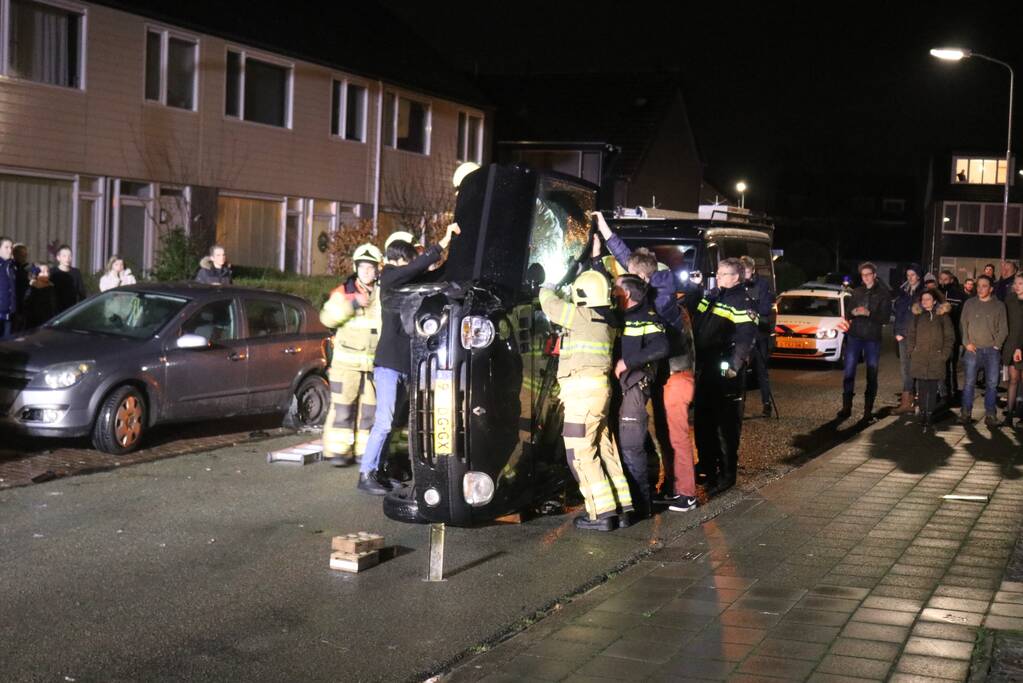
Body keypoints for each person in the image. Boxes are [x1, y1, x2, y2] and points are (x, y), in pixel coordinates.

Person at [590, 212, 699, 511]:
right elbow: (630, 261)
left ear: (645, 278)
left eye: (633, 278)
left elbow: (659, 341)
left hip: (677, 373)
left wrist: (629, 361)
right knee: (665, 433)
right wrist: (606, 232)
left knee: (676, 435)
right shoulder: (657, 282)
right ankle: (674, 488)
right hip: (670, 373)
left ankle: (687, 494)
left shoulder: (661, 298)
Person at [357, 224, 460, 496]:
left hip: (403, 366)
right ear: (402, 254)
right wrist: (441, 243)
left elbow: (435, 273)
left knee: (392, 424)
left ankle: (379, 472)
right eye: (413, 254)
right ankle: (365, 473)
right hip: (389, 365)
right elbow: (415, 269)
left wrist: (456, 252)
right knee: (384, 421)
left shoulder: (405, 282)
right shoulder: (389, 277)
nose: (416, 259)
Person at [540, 269, 634, 531]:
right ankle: (622, 509)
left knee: (580, 453)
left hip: (581, 397)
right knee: (604, 448)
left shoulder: (580, 316)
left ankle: (601, 514)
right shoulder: (608, 320)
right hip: (599, 394)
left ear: (582, 294)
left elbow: (550, 305)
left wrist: (547, 285)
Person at [692, 257, 756, 495]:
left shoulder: (742, 301)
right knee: (703, 421)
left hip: (725, 370)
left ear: (736, 277)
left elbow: (745, 337)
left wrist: (734, 366)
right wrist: (697, 290)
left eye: (722, 274)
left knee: (726, 426)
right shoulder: (714, 295)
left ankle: (727, 474)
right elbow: (697, 319)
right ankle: (707, 465)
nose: (717, 277)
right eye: (717, 274)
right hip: (706, 366)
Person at [613, 274, 670, 522]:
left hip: (635, 389)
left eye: (615, 289)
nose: (612, 293)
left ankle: (641, 506)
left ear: (626, 294)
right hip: (623, 390)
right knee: (630, 445)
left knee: (631, 446)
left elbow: (661, 347)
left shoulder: (648, 317)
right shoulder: (621, 316)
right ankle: (632, 501)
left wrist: (627, 362)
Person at [320, 243, 382, 467]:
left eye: (371, 267)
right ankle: (338, 452)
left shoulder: (381, 295)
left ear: (377, 270)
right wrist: (353, 304)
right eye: (363, 267)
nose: (367, 272)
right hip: (346, 366)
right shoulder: (344, 292)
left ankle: (363, 452)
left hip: (373, 367)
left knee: (369, 413)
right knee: (342, 410)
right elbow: (327, 318)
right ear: (356, 268)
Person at [837, 262, 891, 420]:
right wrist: (853, 312)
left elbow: (885, 318)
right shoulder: (857, 292)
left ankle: (868, 410)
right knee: (848, 372)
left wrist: (869, 313)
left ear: (874, 275)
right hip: (854, 336)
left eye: (868, 274)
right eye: (863, 275)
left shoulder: (883, 293)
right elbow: (848, 313)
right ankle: (846, 407)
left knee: (872, 374)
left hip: (872, 338)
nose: (866, 277)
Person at [958, 275, 1008, 426]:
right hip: (973, 350)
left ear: (991, 288)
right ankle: (965, 414)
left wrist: (997, 345)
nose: (980, 289)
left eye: (984, 286)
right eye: (978, 285)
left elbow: (1004, 329)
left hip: (991, 351)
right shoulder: (969, 303)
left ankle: (990, 415)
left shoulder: (999, 305)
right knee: (969, 383)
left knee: (992, 384)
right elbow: (963, 324)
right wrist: (966, 343)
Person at [906, 289, 954, 433]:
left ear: (934, 301)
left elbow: (949, 337)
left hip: (936, 358)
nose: (925, 301)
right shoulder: (917, 316)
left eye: (928, 299)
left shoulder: (943, 316)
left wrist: (944, 355)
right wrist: (911, 351)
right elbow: (910, 335)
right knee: (922, 388)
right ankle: (922, 414)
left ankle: (929, 415)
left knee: (932, 389)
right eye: (923, 299)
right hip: (919, 357)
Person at [740, 255, 776, 417]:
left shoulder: (762, 284)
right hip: (743, 334)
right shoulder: (738, 284)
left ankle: (766, 403)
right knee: (739, 369)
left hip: (759, 333)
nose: (745, 275)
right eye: (742, 272)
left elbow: (765, 308)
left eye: (747, 272)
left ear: (753, 271)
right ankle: (739, 404)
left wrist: (753, 313)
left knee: (761, 370)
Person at [893, 264, 925, 415]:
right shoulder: (903, 293)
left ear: (918, 276)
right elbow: (898, 314)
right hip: (903, 336)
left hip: (918, 336)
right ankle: (906, 402)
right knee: (905, 369)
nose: (910, 277)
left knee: (917, 368)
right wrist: (897, 332)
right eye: (908, 275)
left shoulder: (924, 293)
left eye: (912, 275)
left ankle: (919, 402)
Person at [938, 270, 966, 403]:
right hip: (938, 336)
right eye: (941, 279)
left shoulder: (959, 296)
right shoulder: (936, 294)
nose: (943, 282)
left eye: (946, 279)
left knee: (952, 365)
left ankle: (953, 392)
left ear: (951, 280)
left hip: (953, 335)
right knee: (940, 365)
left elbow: (963, 317)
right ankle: (942, 392)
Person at [1001, 273, 1023, 428]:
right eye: (1016, 283)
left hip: (1021, 345)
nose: (1017, 285)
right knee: (1013, 380)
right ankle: (1009, 414)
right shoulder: (1009, 299)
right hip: (1010, 344)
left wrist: (1020, 348)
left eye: (1021, 283)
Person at [50, 244, 86, 313]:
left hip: (71, 310)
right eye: (64, 256)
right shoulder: (52, 273)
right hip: (56, 311)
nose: (67, 259)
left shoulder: (76, 272)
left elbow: (81, 292)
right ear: (58, 258)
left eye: (70, 256)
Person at [23, 264, 59, 328]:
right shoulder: (33, 287)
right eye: (42, 272)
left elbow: (53, 305)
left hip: (49, 321)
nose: (46, 274)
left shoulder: (51, 286)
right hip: (35, 323)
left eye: (48, 271)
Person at [11, 243, 30, 332]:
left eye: (25, 254)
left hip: (24, 305)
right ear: (15, 255)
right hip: (13, 306)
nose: (24, 257)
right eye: (21, 254)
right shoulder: (10, 268)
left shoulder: (28, 269)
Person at [0, 236, 16, 338]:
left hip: (9, 315)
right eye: (6, 247)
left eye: (11, 247)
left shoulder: (11, 266)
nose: (10, 250)